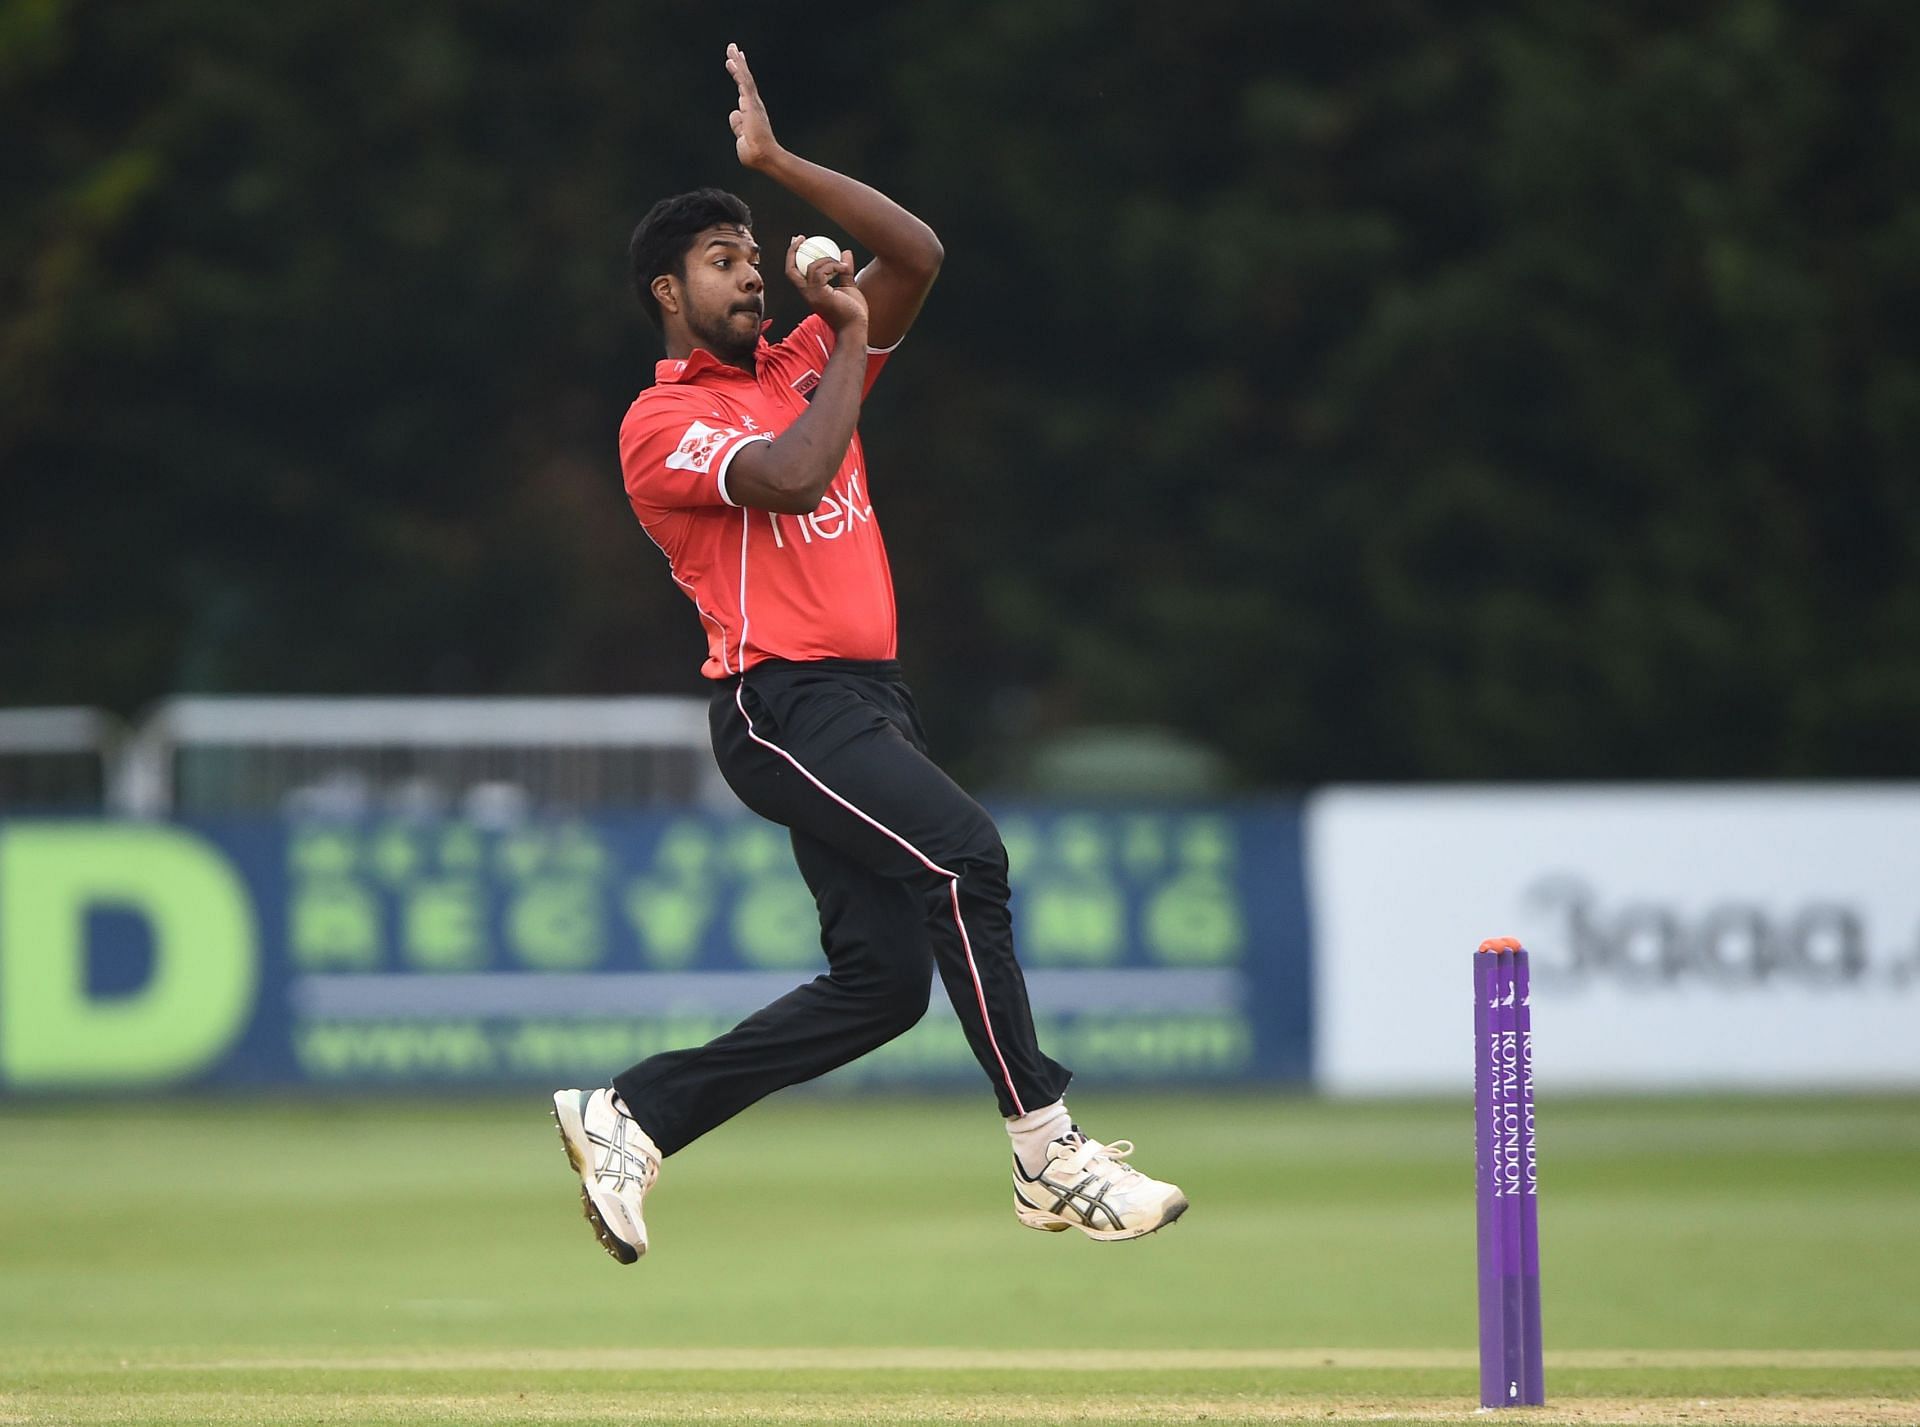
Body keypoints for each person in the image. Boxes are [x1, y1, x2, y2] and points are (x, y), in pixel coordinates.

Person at [551, 42, 1186, 1263]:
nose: (748, 279)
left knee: (882, 984)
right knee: (966, 855)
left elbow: (920, 256)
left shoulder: (801, 362)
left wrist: (777, 162)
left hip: (865, 705)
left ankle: (633, 1112)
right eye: (719, 263)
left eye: (752, 256)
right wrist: (842, 339)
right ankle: (1048, 1150)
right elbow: (791, 478)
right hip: (778, 705)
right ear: (666, 295)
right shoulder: (662, 422)